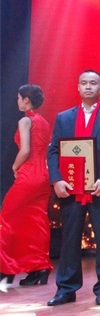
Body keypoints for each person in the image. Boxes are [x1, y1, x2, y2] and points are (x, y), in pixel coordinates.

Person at [47, 70, 100, 306]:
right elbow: (53, 151)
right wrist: (57, 180)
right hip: (70, 188)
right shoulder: (64, 118)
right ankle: (66, 289)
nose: (88, 87)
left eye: (93, 83)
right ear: (78, 87)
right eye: (84, 83)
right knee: (69, 239)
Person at [0, 85, 52, 290]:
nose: (18, 101)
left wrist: (14, 166)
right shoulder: (44, 122)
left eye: (19, 98)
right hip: (43, 176)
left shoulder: (25, 120)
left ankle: (6, 267)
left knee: (7, 217)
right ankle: (39, 267)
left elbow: (25, 150)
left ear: (26, 100)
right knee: (36, 221)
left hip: (28, 174)